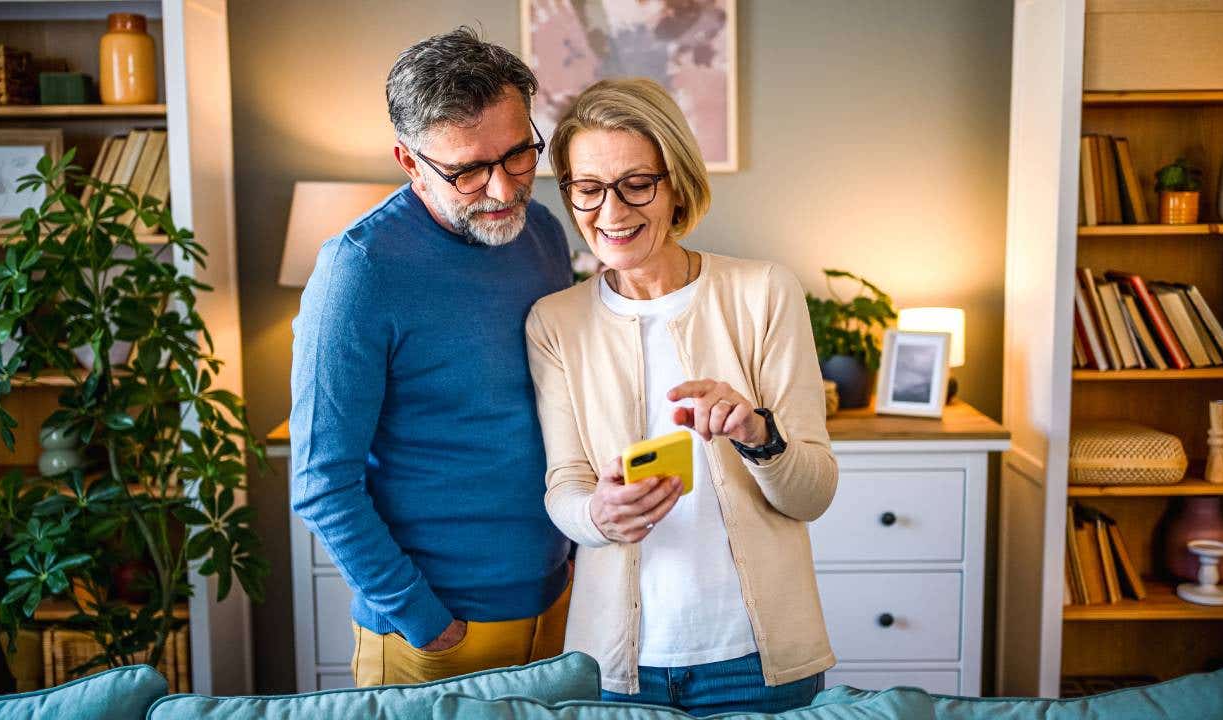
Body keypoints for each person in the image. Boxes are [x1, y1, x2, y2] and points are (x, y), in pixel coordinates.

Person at [525, 78, 839, 716]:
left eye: (637, 183)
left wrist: (759, 433)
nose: (611, 212)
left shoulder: (763, 293)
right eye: (587, 188)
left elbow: (814, 493)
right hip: (615, 667)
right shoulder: (554, 322)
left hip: (756, 661)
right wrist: (598, 515)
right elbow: (565, 484)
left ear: (676, 184)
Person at [290, 27, 573, 687]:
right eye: (469, 170)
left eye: (519, 154)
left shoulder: (546, 235)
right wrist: (423, 619)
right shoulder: (358, 272)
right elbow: (321, 483)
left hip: (554, 601)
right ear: (410, 161)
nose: (504, 189)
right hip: (437, 630)